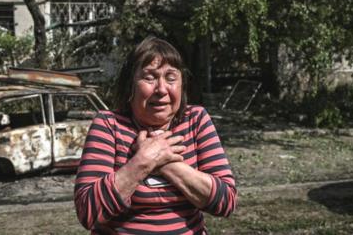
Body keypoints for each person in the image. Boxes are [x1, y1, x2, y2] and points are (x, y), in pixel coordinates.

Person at [74, 36, 237, 234]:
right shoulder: (109, 125)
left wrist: (165, 162)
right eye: (149, 77)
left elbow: (226, 202)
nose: (161, 89)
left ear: (182, 84)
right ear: (130, 85)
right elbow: (87, 212)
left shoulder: (196, 120)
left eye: (170, 78)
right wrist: (142, 162)